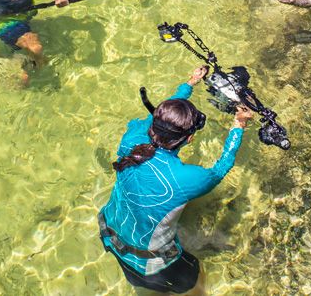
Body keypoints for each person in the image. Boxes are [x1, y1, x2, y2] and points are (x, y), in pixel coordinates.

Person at [98, 65, 255, 294]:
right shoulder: (187, 178)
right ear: (190, 138)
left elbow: (160, 114)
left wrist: (190, 83)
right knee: (194, 277)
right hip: (152, 266)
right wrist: (239, 125)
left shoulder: (131, 138)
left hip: (109, 233)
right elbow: (221, 167)